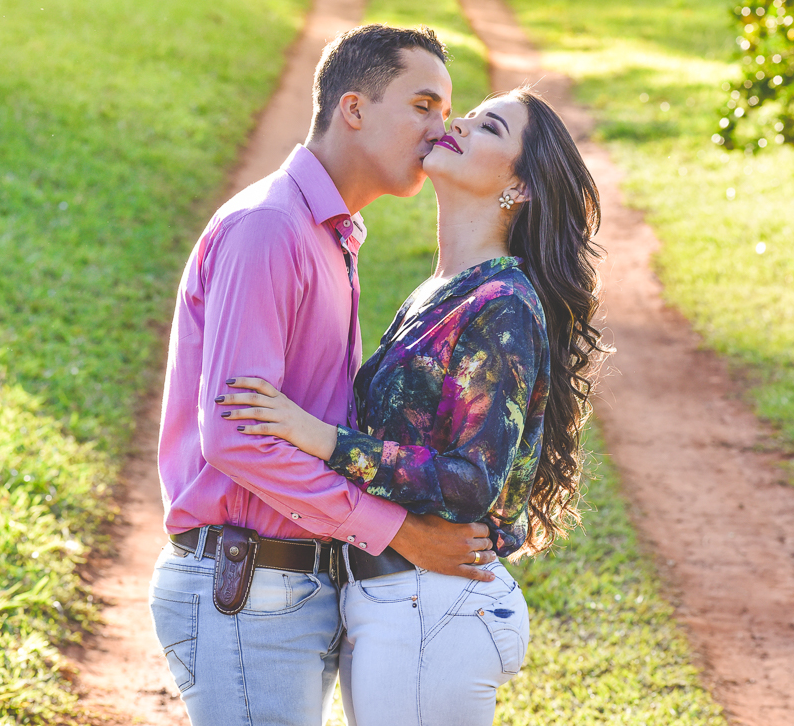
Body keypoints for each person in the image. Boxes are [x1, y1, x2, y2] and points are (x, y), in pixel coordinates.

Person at [219, 87, 607, 726]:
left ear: (520, 187)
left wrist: (324, 439)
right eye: (469, 115)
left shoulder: (502, 304)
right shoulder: (441, 291)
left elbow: (471, 482)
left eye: (490, 128)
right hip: (397, 602)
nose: (460, 124)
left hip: (438, 608)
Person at [150, 24, 501, 726]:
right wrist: (395, 529)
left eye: (446, 110)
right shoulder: (269, 229)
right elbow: (237, 439)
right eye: (423, 105)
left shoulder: (330, 235)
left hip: (291, 586)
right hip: (248, 591)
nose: (441, 129)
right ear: (354, 109)